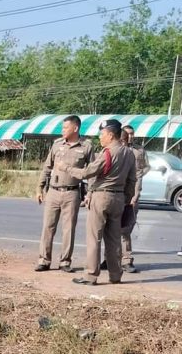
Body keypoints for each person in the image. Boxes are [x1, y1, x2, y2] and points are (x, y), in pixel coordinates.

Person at [55, 118, 136, 286]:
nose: (100, 137)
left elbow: (87, 173)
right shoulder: (129, 153)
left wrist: (65, 168)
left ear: (111, 135)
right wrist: (126, 200)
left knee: (94, 238)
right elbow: (132, 180)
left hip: (102, 197)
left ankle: (91, 275)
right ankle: (115, 275)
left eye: (102, 134)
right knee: (114, 239)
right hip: (119, 198)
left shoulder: (107, 153)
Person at [35, 115, 95, 272]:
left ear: (75, 128)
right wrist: (40, 188)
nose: (62, 130)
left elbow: (92, 173)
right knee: (48, 227)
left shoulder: (86, 147)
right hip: (53, 191)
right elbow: (47, 167)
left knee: (69, 229)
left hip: (72, 192)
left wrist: (90, 193)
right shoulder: (57, 144)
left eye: (65, 127)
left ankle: (65, 262)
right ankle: (44, 260)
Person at [119, 124, 149, 272]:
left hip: (130, 195)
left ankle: (126, 260)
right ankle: (110, 258)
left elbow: (143, 170)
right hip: (115, 192)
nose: (130, 136)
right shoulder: (116, 149)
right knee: (111, 230)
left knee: (125, 229)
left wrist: (135, 194)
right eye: (127, 134)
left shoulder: (139, 150)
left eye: (132, 133)